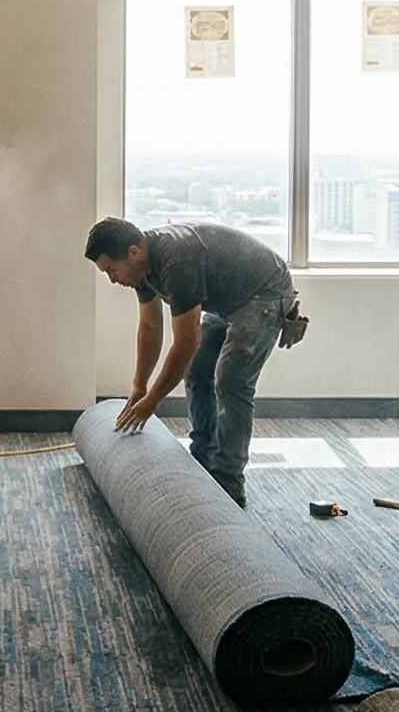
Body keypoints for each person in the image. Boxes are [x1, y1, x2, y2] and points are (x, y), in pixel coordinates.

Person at [84, 217, 303, 507]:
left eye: (112, 270)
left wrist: (152, 402)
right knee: (197, 372)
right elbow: (150, 327)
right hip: (227, 298)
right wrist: (139, 387)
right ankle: (203, 458)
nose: (112, 279)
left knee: (231, 381)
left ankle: (228, 480)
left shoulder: (177, 261)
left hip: (264, 291)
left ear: (133, 252)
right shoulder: (141, 268)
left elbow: (184, 345)